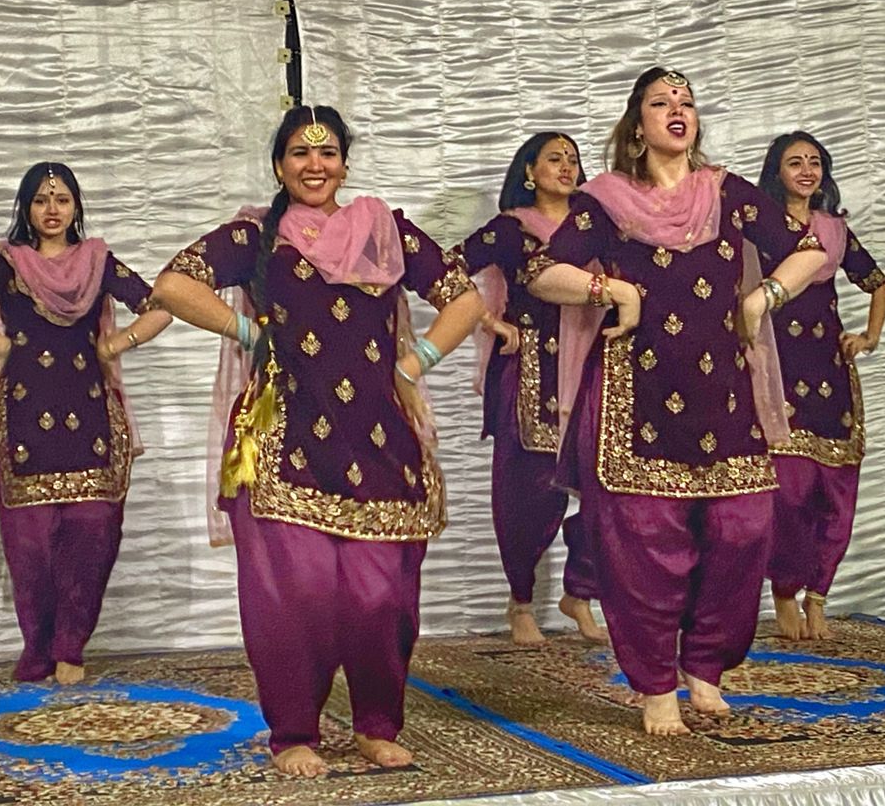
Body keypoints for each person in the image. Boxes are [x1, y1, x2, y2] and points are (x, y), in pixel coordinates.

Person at [150, 105, 483, 778]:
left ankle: (375, 726)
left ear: (344, 165)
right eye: (300, 153)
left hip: (379, 437)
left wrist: (414, 363)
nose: (314, 164)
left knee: (380, 596)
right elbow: (172, 285)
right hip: (283, 433)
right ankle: (294, 733)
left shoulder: (383, 230)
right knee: (296, 594)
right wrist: (249, 334)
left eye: (327, 152)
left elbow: (466, 299)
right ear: (279, 166)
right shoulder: (256, 235)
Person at [527, 67, 828, 736]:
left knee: (743, 532)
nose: (677, 110)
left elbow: (808, 251)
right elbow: (542, 273)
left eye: (686, 102)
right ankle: (657, 684)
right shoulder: (605, 202)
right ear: (637, 126)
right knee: (644, 545)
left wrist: (764, 297)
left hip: (725, 394)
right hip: (636, 397)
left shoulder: (726, 192)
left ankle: (706, 666)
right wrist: (613, 292)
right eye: (661, 102)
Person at [0, 162, 172, 684]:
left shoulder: (97, 261)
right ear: (26, 209)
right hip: (24, 419)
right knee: (30, 546)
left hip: (92, 419)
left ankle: (71, 646)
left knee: (93, 534)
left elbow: (159, 306)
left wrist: (117, 344)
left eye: (62, 199)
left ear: (76, 207)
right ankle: (38, 645)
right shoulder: (7, 263)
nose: (52, 210)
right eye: (41, 200)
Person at [458, 132, 604, 646]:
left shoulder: (594, 224)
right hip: (530, 373)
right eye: (554, 159)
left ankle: (580, 592)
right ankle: (520, 601)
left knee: (607, 489)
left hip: (590, 366)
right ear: (528, 172)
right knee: (529, 493)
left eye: (573, 160)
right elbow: (447, 269)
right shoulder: (510, 230)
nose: (566, 167)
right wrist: (489, 321)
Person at [756, 131, 885, 641]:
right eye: (795, 163)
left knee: (837, 494)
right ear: (777, 172)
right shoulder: (761, 228)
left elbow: (877, 283)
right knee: (789, 496)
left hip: (831, 375)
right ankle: (785, 592)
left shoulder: (833, 230)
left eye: (815, 162)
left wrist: (869, 336)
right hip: (779, 373)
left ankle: (818, 597)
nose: (807, 171)